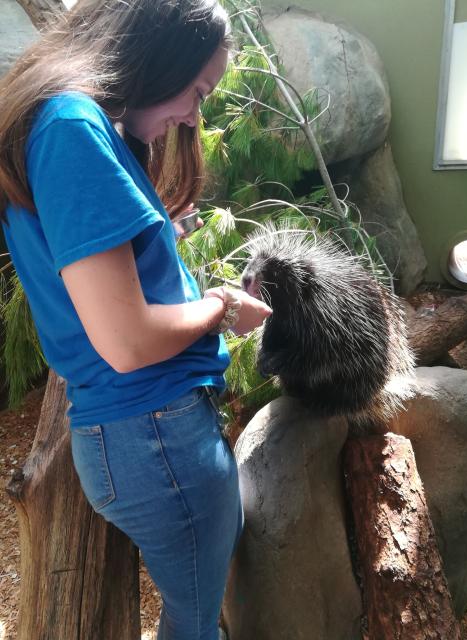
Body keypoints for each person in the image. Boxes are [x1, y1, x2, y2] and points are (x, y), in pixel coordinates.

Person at [0, 0, 272, 638]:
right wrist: (220, 306)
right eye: (197, 90)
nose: (193, 117)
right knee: (195, 621)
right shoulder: (72, 127)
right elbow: (125, 340)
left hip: (147, 435)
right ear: (158, 55)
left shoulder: (72, 123)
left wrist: (159, 239)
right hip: (153, 434)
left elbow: (99, 280)